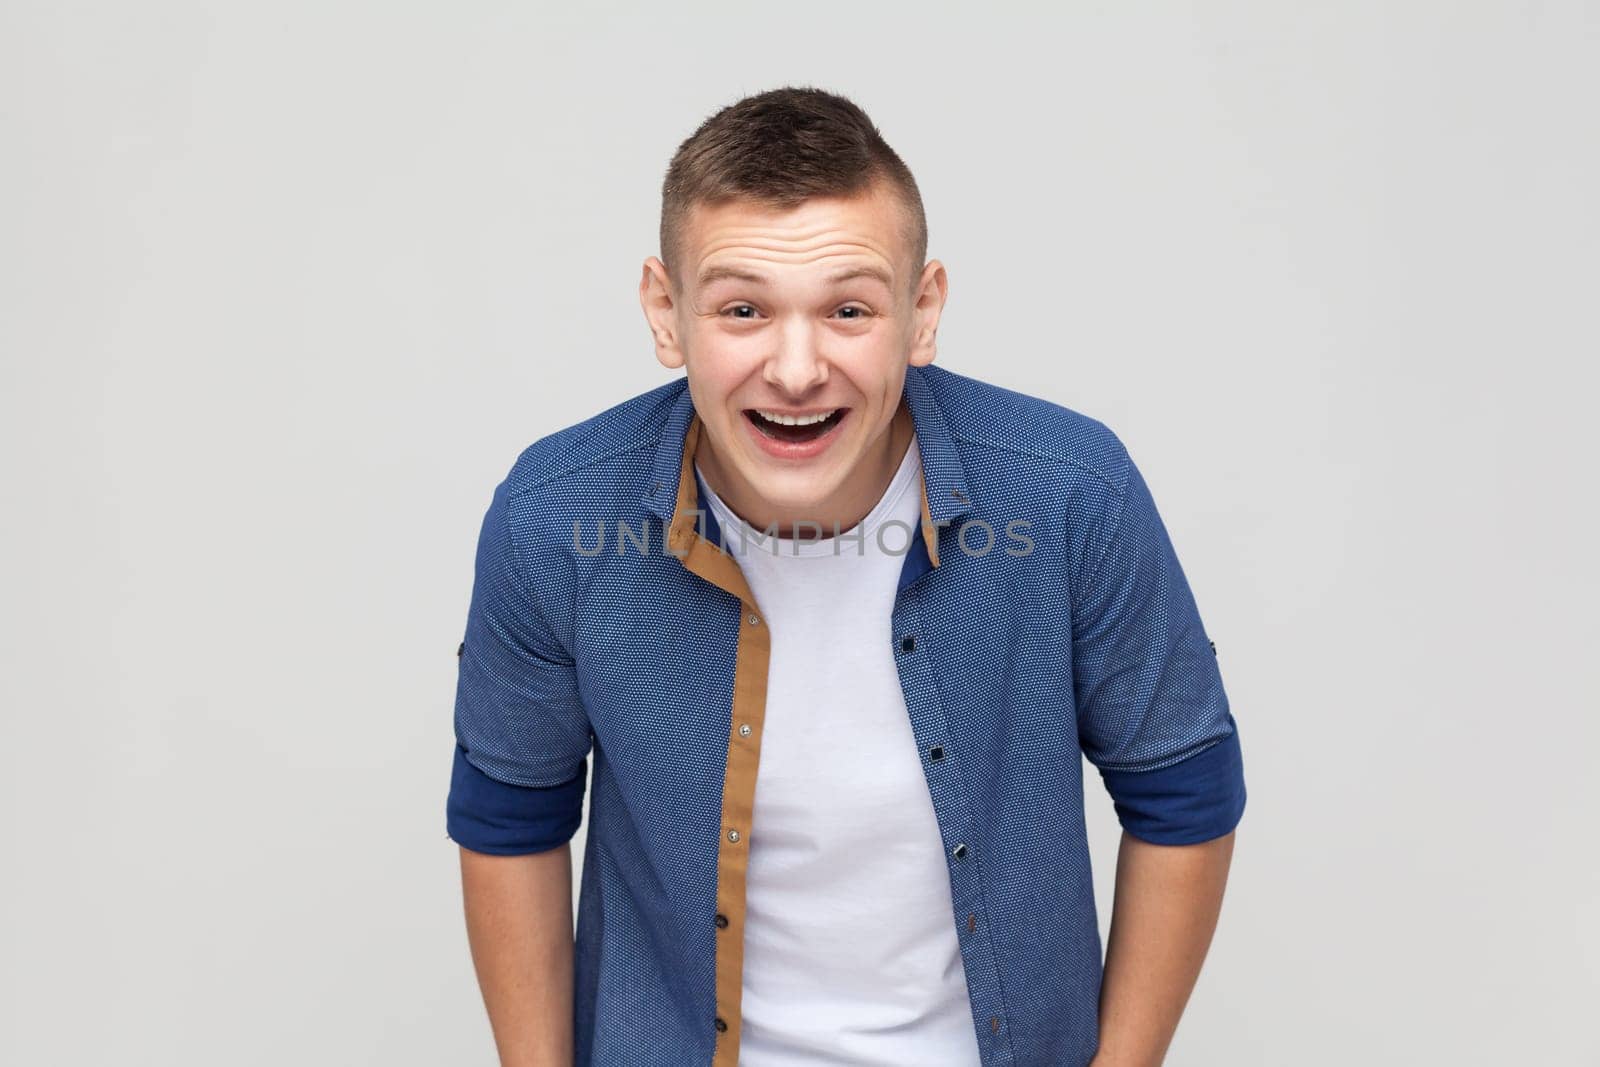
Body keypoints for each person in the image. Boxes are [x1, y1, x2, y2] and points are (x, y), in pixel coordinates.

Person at [445, 85, 1246, 1067]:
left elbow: (1183, 788)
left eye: (848, 309)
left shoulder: (1072, 494)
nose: (794, 367)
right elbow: (509, 815)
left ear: (921, 311)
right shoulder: (555, 519)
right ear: (666, 312)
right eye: (743, 308)